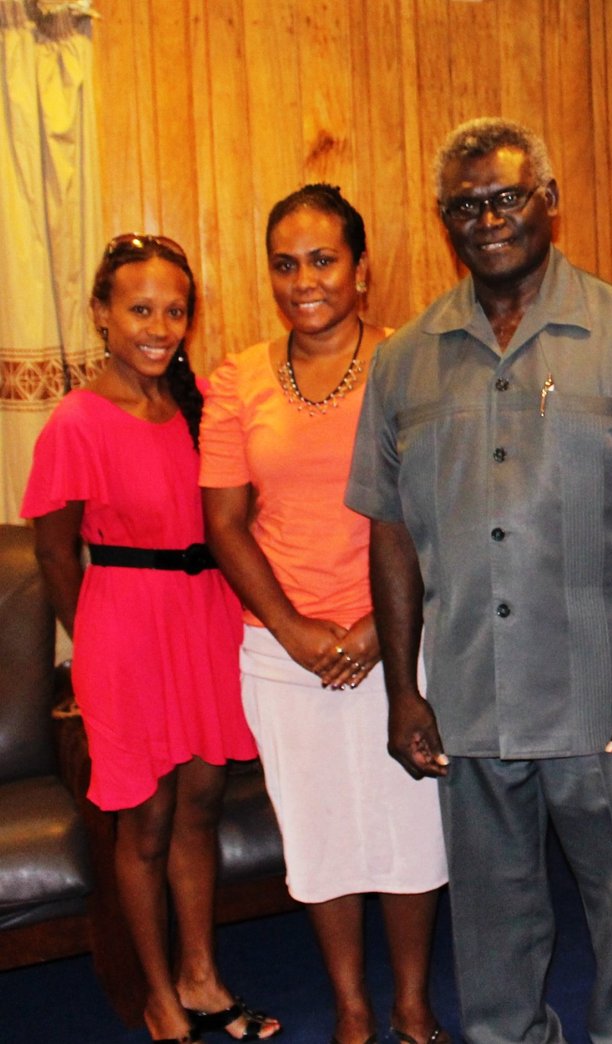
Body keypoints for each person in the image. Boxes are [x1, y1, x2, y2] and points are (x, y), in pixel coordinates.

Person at [345, 118, 612, 1044]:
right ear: (442, 220)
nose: (488, 220)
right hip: (469, 696)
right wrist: (402, 692)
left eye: (506, 197)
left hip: (604, 699)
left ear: (549, 202)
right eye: (465, 206)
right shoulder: (404, 359)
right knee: (491, 933)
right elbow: (391, 532)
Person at [200, 184, 450, 1044]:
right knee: (320, 838)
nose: (303, 279)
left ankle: (412, 1002)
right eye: (284, 263)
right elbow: (225, 525)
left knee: (412, 829)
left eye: (322, 259)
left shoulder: (414, 362)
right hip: (282, 651)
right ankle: (349, 1006)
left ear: (361, 270)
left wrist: (379, 633)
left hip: (404, 640)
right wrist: (297, 630)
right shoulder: (236, 378)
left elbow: (439, 512)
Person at [24, 235, 279, 1043]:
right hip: (126, 631)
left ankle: (200, 976)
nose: (158, 326)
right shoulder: (74, 421)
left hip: (204, 620)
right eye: (139, 309)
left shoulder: (201, 402)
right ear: (102, 315)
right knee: (145, 819)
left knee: (201, 802)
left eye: (174, 311)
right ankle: (159, 998)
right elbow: (55, 553)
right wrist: (97, 641)